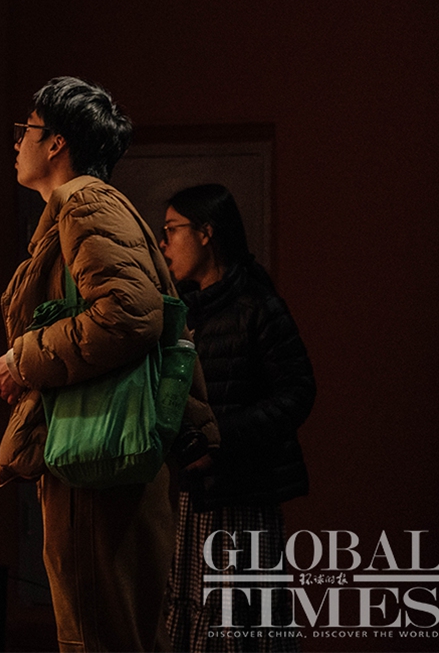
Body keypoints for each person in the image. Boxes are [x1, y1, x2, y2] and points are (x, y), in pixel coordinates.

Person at [0, 77, 215, 651]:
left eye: (27, 130)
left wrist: (23, 360)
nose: (17, 142)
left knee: (98, 634)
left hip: (99, 457)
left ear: (56, 142)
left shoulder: (84, 204)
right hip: (103, 456)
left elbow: (128, 315)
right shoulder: (87, 206)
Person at [159, 184, 315, 652]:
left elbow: (298, 393)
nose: (163, 244)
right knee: (194, 627)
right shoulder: (186, 311)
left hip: (244, 499)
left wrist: (218, 440)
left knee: (240, 628)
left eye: (172, 230)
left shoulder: (258, 305)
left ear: (206, 233)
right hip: (195, 497)